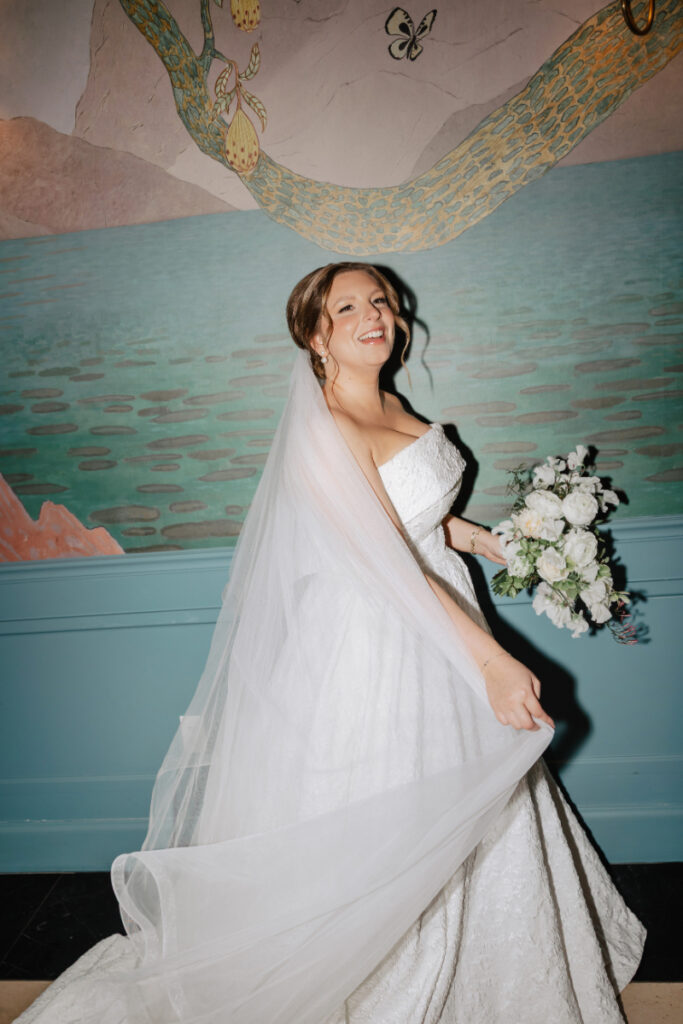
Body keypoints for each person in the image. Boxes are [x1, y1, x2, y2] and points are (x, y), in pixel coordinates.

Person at [18, 262, 644, 1024]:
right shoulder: (327, 427)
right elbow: (377, 552)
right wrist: (489, 660)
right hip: (381, 639)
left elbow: (404, 514)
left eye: (379, 301)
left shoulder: (390, 404)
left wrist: (476, 537)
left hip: (437, 609)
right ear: (317, 336)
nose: (371, 315)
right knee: (390, 807)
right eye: (346, 308)